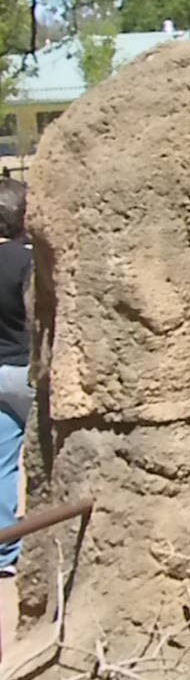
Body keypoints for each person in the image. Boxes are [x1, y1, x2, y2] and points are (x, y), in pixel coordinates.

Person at [0, 179, 32, 655]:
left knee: (2, 461)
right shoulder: (27, 260)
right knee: (45, 451)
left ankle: (6, 548)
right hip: (26, 369)